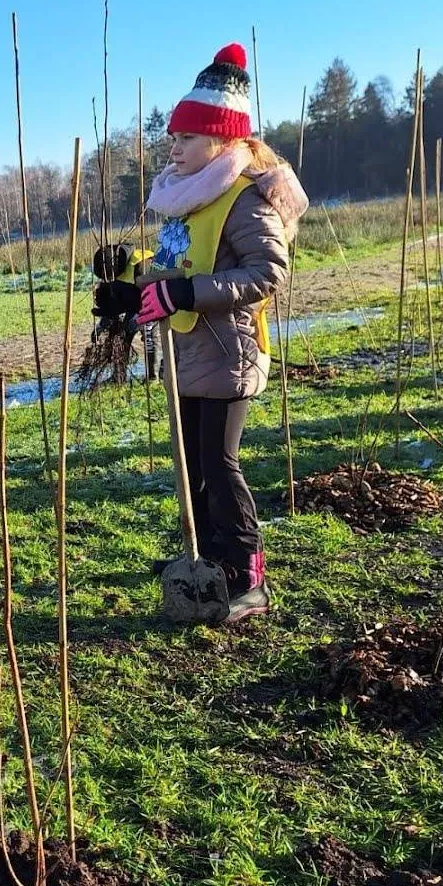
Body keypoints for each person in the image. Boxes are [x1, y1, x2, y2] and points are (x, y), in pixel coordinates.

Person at [94, 43, 307, 624]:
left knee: (219, 463)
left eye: (185, 138)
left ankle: (246, 576)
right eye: (173, 138)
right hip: (189, 355)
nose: (174, 147)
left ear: (218, 140)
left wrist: (187, 294)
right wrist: (130, 281)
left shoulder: (243, 199)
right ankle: (208, 553)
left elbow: (267, 273)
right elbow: (178, 265)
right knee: (192, 461)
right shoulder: (189, 201)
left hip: (228, 354)